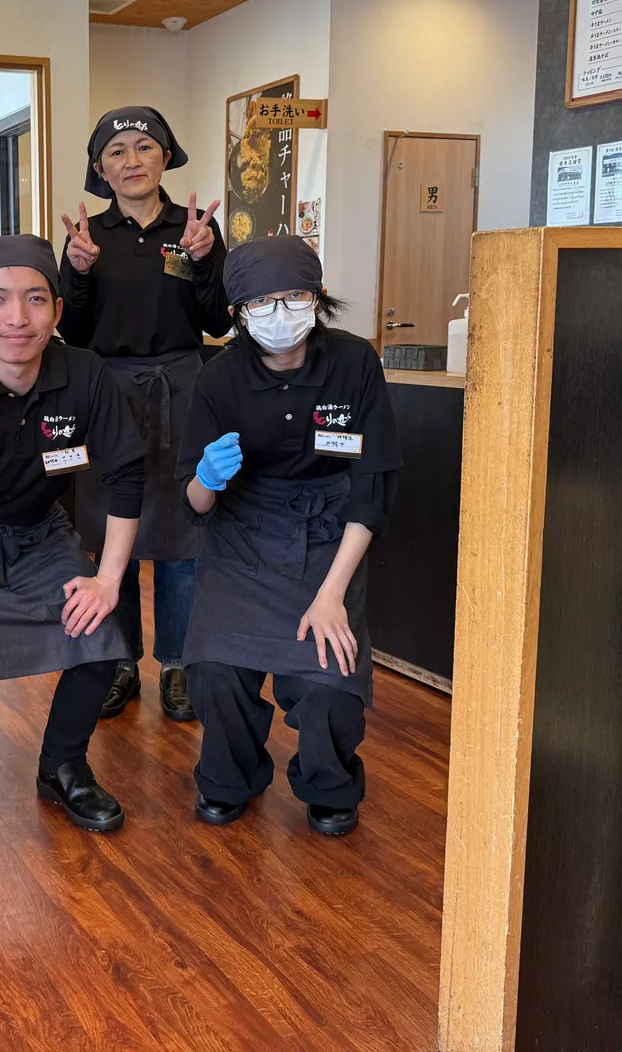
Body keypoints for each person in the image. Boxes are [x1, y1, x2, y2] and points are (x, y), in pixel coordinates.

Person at [0, 234, 146, 841]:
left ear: (57, 311)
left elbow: (126, 474)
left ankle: (63, 764)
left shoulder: (85, 373)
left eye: (36, 299)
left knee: (102, 635)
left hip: (41, 530)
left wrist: (109, 577)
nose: (17, 318)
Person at [176, 235, 400, 836]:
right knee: (216, 672)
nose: (280, 315)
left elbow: (372, 484)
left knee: (329, 676)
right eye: (261, 303)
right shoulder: (218, 378)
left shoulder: (354, 363)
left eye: (294, 297)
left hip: (331, 535)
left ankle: (329, 784)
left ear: (318, 297)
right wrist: (206, 479)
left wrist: (332, 596)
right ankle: (230, 777)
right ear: (236, 314)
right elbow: (193, 501)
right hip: (240, 532)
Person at [58, 106, 229, 725]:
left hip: (185, 389)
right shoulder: (87, 235)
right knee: (113, 530)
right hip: (109, 391)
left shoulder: (196, 229)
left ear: (165, 156)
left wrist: (207, 260)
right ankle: (121, 661)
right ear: (100, 168)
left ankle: (178, 664)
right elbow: (72, 332)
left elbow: (218, 322)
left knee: (185, 531)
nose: (131, 160)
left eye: (143, 147)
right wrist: (75, 273)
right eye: (116, 152)